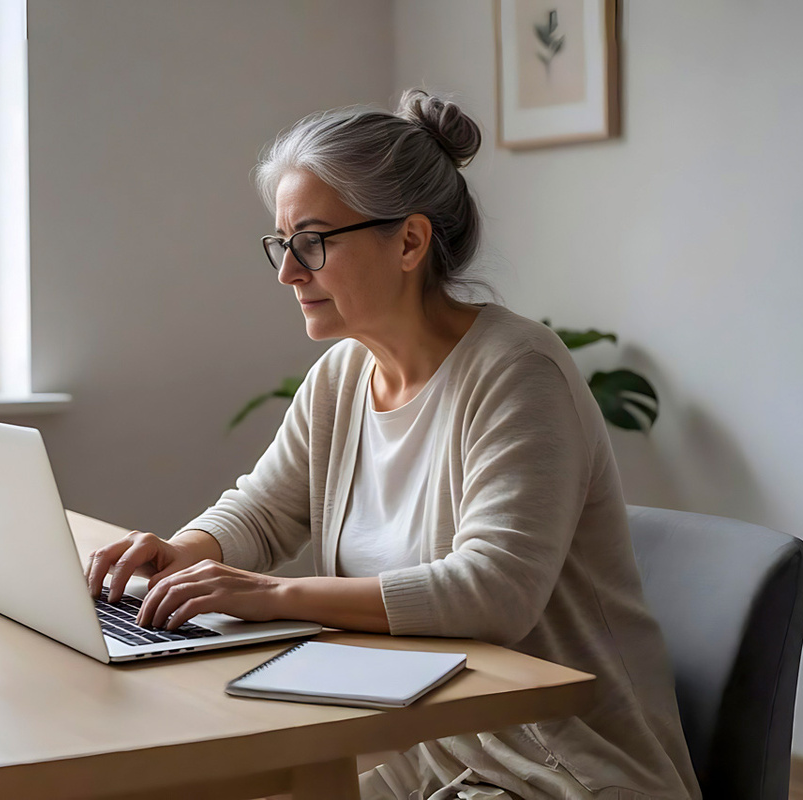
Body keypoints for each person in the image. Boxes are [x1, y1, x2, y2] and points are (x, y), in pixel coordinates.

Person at [85, 89, 702, 800]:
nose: (289, 272)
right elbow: (264, 512)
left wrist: (271, 594)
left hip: (558, 767)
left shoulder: (518, 373)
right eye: (281, 244)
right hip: (427, 748)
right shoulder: (344, 375)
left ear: (409, 241)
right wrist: (185, 553)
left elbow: (493, 593)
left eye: (312, 242)